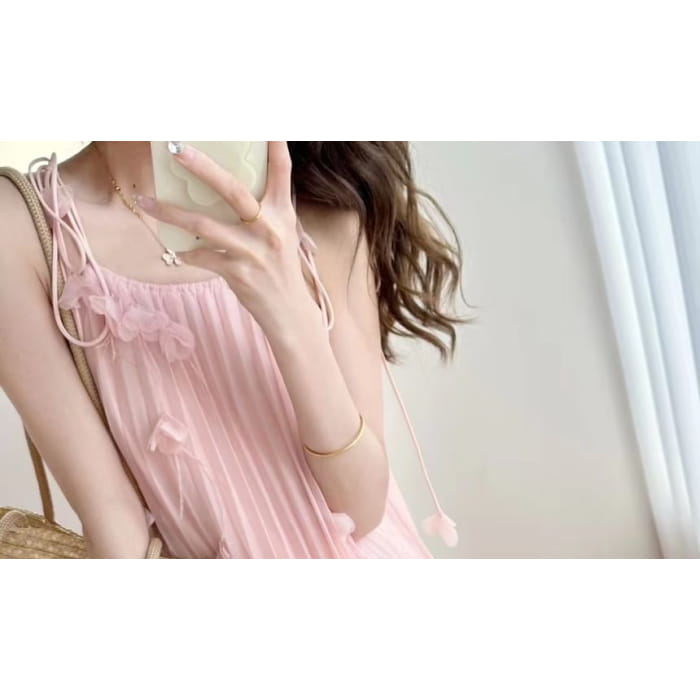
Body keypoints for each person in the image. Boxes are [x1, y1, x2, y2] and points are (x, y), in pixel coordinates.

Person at [0, 141, 472, 558]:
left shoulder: (320, 204)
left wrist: (290, 310)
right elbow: (114, 523)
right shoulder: (25, 228)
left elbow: (361, 509)